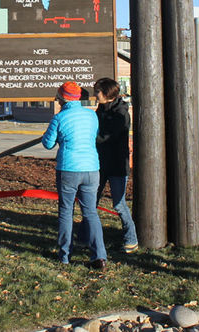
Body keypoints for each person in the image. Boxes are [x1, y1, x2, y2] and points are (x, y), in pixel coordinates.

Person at [42, 81, 107, 271]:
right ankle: (100, 256)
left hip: (68, 169)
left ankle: (65, 255)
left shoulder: (59, 118)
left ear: (62, 99)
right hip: (92, 169)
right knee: (90, 213)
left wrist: (51, 133)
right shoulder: (91, 116)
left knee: (66, 211)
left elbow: (48, 144)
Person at [93, 78, 138, 253]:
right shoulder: (101, 109)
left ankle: (131, 239)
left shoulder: (121, 114)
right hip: (99, 164)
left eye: (98, 91)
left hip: (118, 165)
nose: (95, 94)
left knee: (119, 204)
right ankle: (85, 236)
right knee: (91, 202)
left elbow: (105, 136)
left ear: (107, 94)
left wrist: (87, 137)